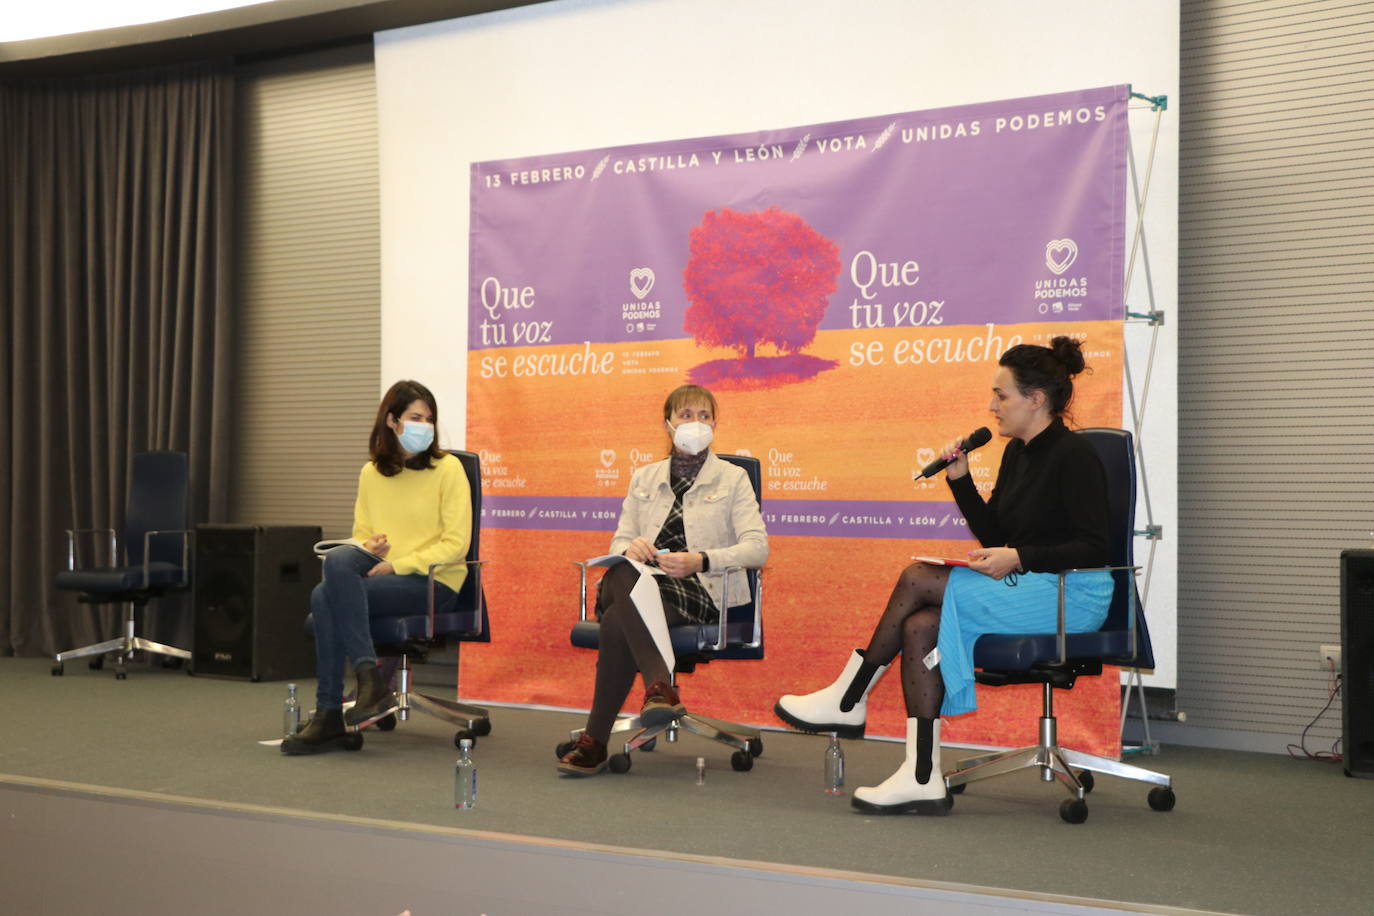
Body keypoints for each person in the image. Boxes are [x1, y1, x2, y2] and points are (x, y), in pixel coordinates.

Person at [774, 337, 1112, 813]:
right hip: (1031, 585)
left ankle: (849, 699)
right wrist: (960, 479)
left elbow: (1095, 546)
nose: (991, 406)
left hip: (1073, 594)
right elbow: (996, 532)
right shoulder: (1018, 453)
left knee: (917, 576)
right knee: (919, 626)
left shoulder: (1075, 456)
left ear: (1036, 400)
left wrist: (1018, 557)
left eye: (1001, 395)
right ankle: (921, 777)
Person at [558, 384, 769, 776]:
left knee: (619, 618)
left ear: (715, 424)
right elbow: (620, 539)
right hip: (642, 580)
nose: (695, 423)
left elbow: (757, 549)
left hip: (699, 588)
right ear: (668, 424)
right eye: (686, 415)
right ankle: (659, 687)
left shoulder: (733, 478)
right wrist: (632, 548)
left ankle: (595, 740)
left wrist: (701, 560)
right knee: (623, 570)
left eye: (704, 416)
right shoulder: (644, 478)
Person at [282, 380, 472, 755]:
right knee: (338, 560)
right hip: (380, 575)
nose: (425, 425)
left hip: (435, 581)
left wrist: (398, 563)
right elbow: (361, 535)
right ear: (391, 421)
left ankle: (331, 713)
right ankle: (368, 679)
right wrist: (372, 547)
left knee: (324, 596)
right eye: (415, 417)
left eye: (429, 419)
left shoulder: (447, 469)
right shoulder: (371, 473)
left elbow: (456, 544)